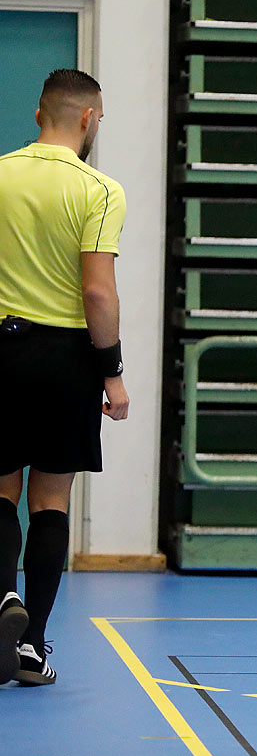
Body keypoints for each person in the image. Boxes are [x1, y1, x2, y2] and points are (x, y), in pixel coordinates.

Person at [0, 69, 129, 685]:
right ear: (87, 119)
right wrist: (113, 374)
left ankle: (1, 600)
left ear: (36, 116)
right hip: (64, 358)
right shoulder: (100, 191)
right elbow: (98, 291)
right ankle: (33, 645)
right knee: (50, 499)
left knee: (0, 490)